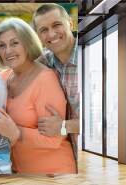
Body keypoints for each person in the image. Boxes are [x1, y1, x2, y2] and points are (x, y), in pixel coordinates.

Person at [0, 18, 76, 174]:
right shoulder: (4, 77)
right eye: (2, 45)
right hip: (19, 172)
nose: (8, 51)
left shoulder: (45, 79)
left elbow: (55, 139)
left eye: (15, 43)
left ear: (27, 43)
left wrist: (16, 132)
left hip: (53, 174)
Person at [32, 3, 79, 161]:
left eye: (56, 25)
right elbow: (15, 72)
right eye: (43, 30)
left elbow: (108, 124)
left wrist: (63, 126)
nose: (51, 34)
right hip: (66, 155)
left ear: (70, 24)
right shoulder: (46, 60)